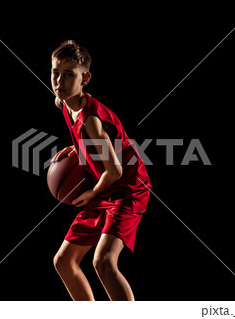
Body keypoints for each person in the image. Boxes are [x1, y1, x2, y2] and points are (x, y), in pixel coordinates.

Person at [50, 40, 152, 301]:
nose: (59, 81)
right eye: (55, 72)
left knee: (104, 262)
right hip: (105, 184)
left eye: (69, 74)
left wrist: (90, 194)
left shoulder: (92, 123)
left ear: (85, 78)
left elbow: (115, 170)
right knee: (63, 261)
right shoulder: (63, 102)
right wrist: (76, 149)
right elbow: (92, 146)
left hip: (127, 189)